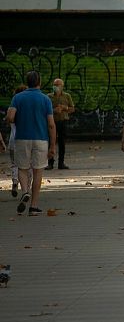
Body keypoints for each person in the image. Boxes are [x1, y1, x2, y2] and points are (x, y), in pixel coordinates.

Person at [6, 71, 56, 216]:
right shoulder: (45, 99)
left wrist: (14, 118)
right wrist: (53, 146)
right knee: (38, 171)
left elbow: (10, 117)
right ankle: (34, 207)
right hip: (41, 139)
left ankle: (25, 191)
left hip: (22, 138)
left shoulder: (17, 97)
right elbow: (51, 124)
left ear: (27, 82)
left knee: (22, 168)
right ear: (39, 82)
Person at [46, 78, 75, 170]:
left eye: (58, 85)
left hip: (63, 121)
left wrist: (64, 108)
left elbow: (72, 109)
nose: (56, 87)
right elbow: (45, 110)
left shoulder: (67, 96)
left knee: (62, 142)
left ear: (62, 86)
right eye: (55, 85)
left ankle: (61, 163)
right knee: (51, 142)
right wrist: (54, 110)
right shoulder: (48, 97)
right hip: (52, 122)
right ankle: (50, 162)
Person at [6, 86, 27, 198]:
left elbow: (8, 120)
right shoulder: (27, 110)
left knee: (15, 164)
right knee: (27, 166)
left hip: (13, 140)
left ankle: (15, 182)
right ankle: (26, 188)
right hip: (25, 140)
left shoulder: (11, 109)